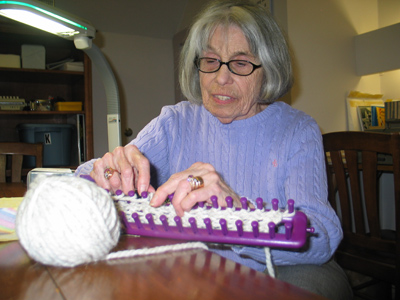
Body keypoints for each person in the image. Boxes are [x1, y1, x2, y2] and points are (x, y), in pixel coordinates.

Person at [76, 0, 352, 298]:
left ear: (268, 69)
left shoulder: (298, 130)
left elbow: (322, 235)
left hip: (267, 274)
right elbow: (82, 178)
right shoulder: (176, 122)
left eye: (241, 63)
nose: (221, 78)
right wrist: (106, 172)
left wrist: (237, 217)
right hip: (190, 276)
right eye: (210, 61)